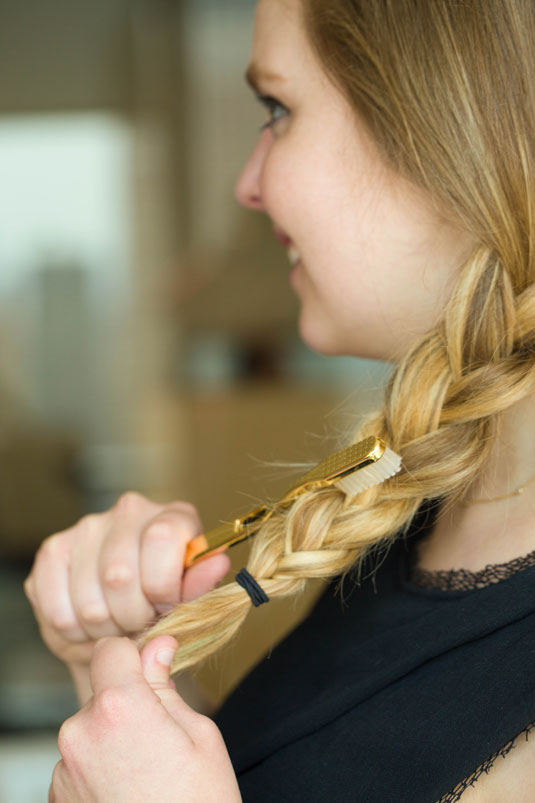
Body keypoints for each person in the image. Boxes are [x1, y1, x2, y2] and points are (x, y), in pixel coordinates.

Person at [24, 0, 535, 800]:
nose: (247, 183)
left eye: (277, 109)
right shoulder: (407, 514)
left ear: (440, 131)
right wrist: (118, 672)